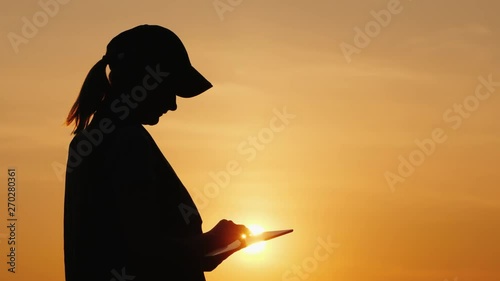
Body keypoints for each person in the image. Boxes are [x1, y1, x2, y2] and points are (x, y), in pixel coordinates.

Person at [63, 24, 250, 281]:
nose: (173, 105)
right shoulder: (128, 142)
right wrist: (210, 241)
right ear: (146, 81)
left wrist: (203, 256)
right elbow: (145, 250)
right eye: (170, 89)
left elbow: (121, 248)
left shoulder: (90, 142)